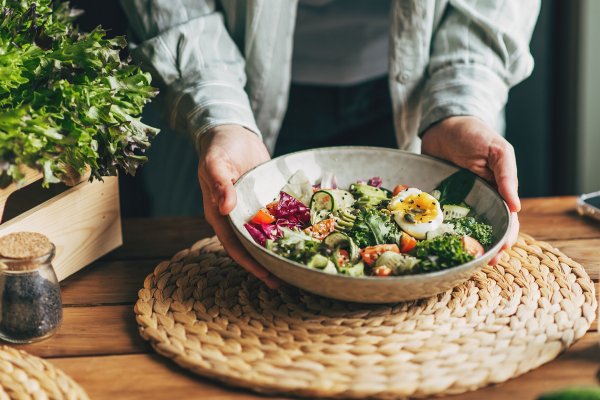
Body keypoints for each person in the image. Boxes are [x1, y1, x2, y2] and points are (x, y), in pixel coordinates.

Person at [121, 0, 540, 289]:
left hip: (425, 88)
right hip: (230, 84)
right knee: (202, 268)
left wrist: (462, 103)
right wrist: (216, 110)